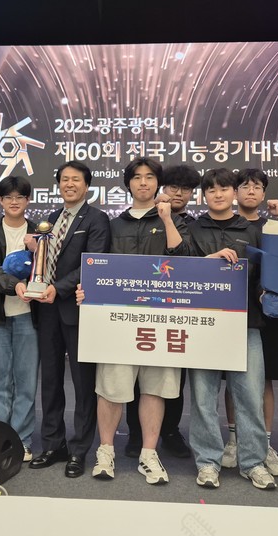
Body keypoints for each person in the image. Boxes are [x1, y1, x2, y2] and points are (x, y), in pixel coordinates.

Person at [90, 157, 189, 485]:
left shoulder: (173, 219)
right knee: (111, 387)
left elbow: (183, 260)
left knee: (154, 388)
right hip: (118, 320)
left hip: (161, 319)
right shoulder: (112, 224)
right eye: (136, 177)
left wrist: (167, 218)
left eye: (149, 177)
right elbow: (97, 267)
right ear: (128, 183)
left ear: (157, 183)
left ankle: (149, 453)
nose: (143, 182)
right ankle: (105, 451)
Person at [184, 168, 276, 491]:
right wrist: (209, 261)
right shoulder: (192, 229)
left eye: (224, 188)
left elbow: (266, 274)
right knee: (203, 398)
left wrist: (268, 293)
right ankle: (208, 462)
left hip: (245, 324)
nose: (218, 194)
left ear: (233, 193)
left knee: (250, 395)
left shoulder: (252, 230)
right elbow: (179, 272)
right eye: (211, 190)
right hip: (203, 325)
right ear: (204, 195)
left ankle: (253, 462)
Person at [27, 161, 111, 479]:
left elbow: (93, 262)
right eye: (64, 179)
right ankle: (53, 444)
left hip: (77, 309)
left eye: (76, 179)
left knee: (82, 383)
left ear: (86, 186)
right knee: (50, 380)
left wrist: (58, 288)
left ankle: (79, 450)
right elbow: (45, 260)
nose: (69, 184)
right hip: (46, 309)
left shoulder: (97, 219)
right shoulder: (51, 219)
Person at [220, 168, 278, 477]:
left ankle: (265, 444)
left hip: (266, 317)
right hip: (231, 315)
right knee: (233, 380)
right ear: (235, 192)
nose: (251, 191)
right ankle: (235, 440)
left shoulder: (273, 227)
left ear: (263, 193)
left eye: (257, 187)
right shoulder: (227, 225)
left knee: (263, 381)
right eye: (245, 186)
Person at [0, 176, 40, 462]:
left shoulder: (41, 232)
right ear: (0, 201)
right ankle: (0, 438)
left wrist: (38, 250)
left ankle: (22, 439)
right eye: (8, 197)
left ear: (28, 200)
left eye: (20, 197)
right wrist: (16, 286)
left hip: (30, 316)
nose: (14, 202)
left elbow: (51, 268)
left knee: (26, 381)